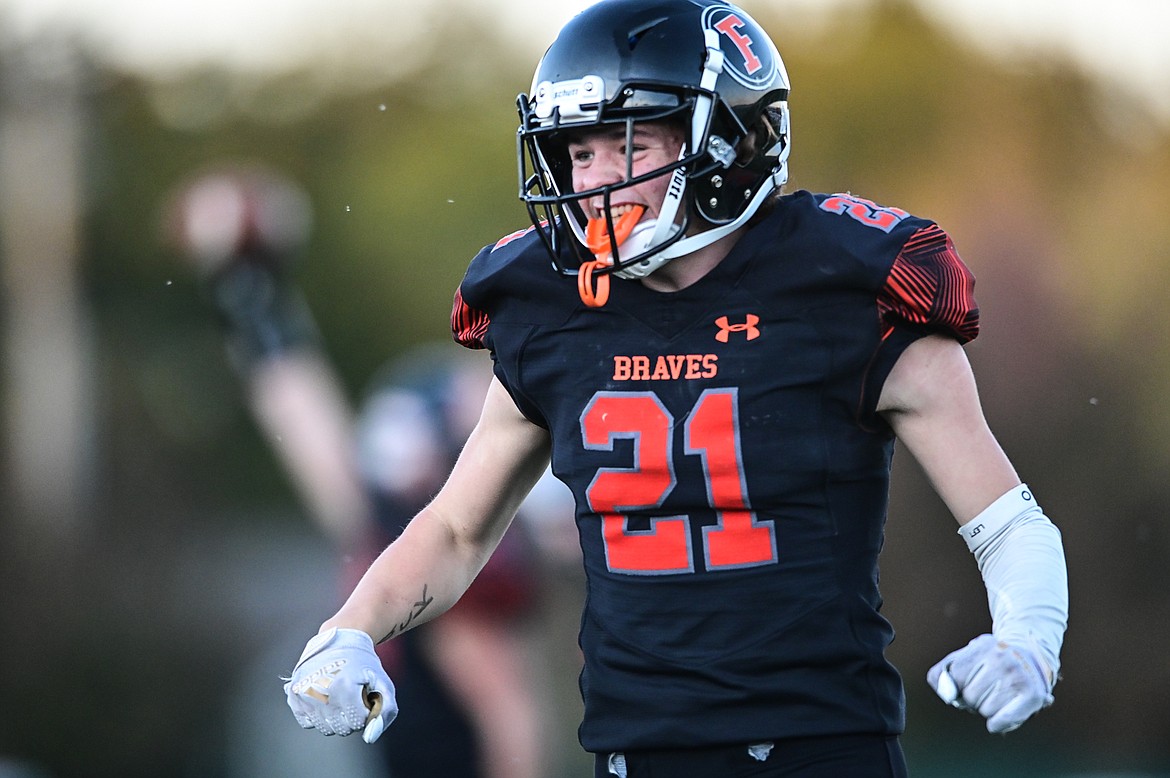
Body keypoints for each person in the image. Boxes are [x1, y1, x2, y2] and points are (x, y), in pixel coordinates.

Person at [283, 1, 1070, 776]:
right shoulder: (547, 306)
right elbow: (457, 530)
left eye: (624, 146)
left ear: (725, 141)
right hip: (635, 759)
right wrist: (352, 627)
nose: (591, 182)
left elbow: (1008, 525)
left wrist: (1027, 638)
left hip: (818, 752)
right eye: (576, 152)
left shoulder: (844, 290)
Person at [169, 165, 553, 778]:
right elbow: (313, 441)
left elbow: (509, 717)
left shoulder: (458, 562)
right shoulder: (398, 523)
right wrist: (254, 307)